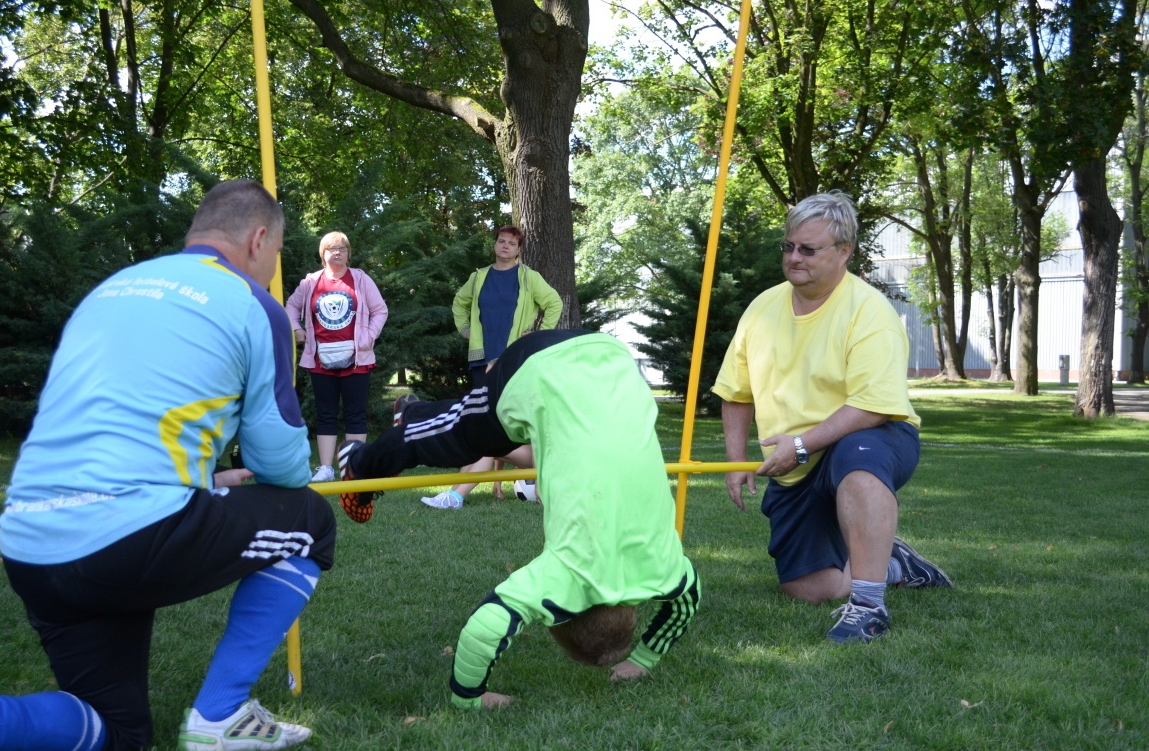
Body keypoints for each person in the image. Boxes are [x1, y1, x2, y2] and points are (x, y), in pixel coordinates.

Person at [0, 181, 336, 751]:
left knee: (119, 735)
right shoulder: (253, 303)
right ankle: (222, 716)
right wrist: (282, 472)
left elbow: (109, 418)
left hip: (29, 544)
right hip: (129, 534)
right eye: (276, 253)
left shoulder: (111, 289)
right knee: (308, 522)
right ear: (258, 239)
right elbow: (279, 461)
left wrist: (201, 478)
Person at [337, 330, 701, 708]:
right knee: (462, 436)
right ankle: (359, 461)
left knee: (495, 435)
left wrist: (644, 659)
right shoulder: (566, 576)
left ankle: (413, 414)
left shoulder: (665, 566)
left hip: (614, 361)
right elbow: (486, 626)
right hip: (538, 366)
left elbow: (688, 599)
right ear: (559, 612)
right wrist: (469, 697)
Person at [711, 191, 951, 644]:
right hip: (794, 464)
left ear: (844, 252)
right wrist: (736, 459)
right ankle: (893, 562)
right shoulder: (762, 309)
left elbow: (874, 405)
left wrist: (802, 444)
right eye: (788, 247)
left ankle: (867, 605)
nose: (794, 258)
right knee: (807, 589)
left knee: (857, 460)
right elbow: (735, 392)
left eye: (808, 249)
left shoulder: (869, 311)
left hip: (870, 434)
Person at [422, 225, 561, 510]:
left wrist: (536, 335)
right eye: (501, 241)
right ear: (495, 245)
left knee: (490, 428)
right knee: (479, 425)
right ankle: (454, 493)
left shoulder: (528, 277)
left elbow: (554, 303)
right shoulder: (479, 277)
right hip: (481, 359)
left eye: (511, 243)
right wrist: (465, 330)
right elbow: (459, 303)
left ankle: (457, 495)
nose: (505, 246)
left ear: (519, 249)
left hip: (510, 360)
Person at [286, 231, 388, 483]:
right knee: (325, 414)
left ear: (348, 253)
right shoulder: (310, 282)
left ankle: (354, 467)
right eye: (332, 248)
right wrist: (297, 329)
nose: (338, 252)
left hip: (357, 359)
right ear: (323, 253)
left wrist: (368, 337)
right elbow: (291, 306)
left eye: (342, 248)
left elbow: (380, 310)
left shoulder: (361, 279)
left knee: (355, 413)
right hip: (320, 358)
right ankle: (326, 468)